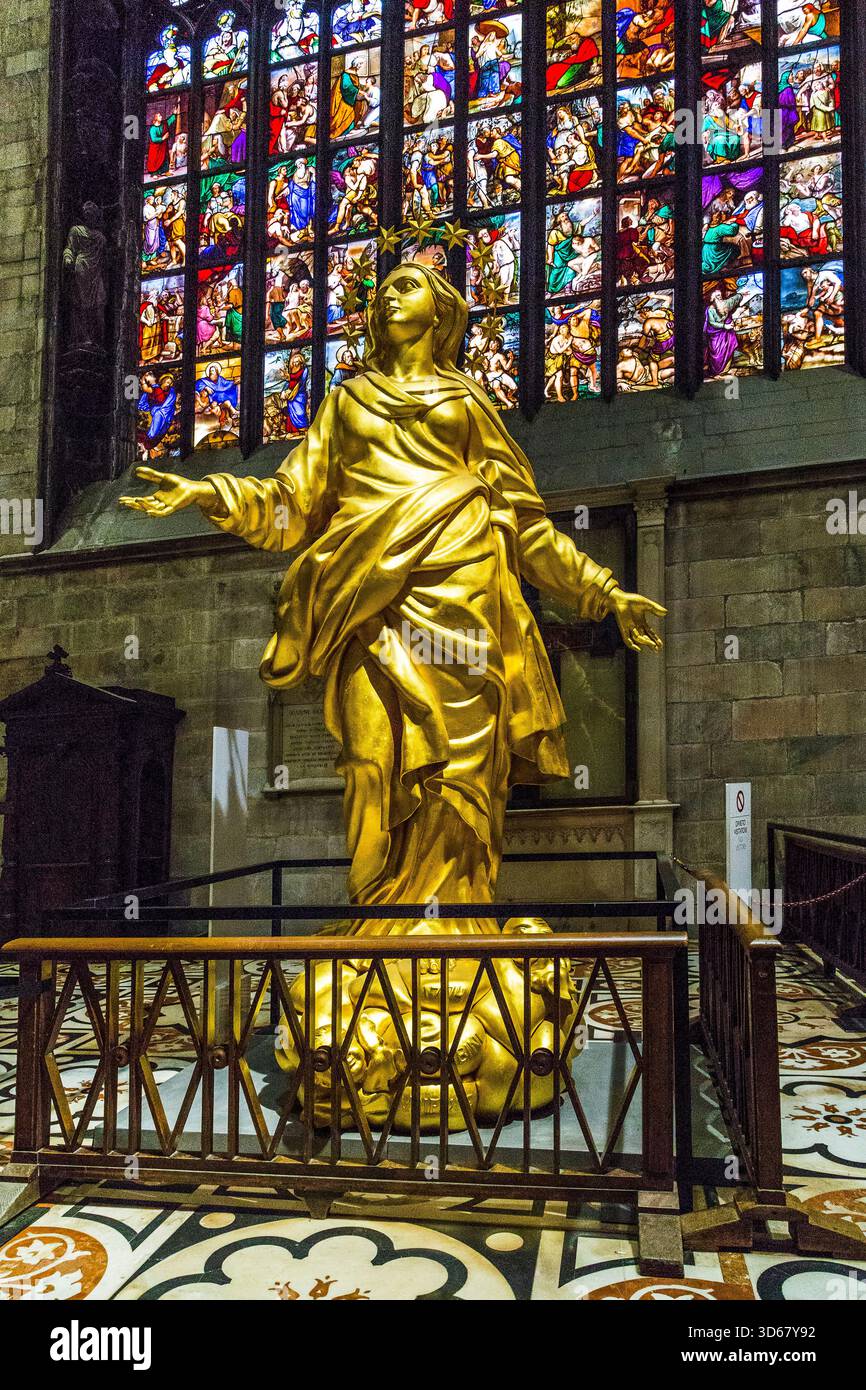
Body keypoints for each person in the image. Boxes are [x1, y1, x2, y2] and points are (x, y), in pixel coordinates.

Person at [120, 264, 665, 1127]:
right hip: (375, 614)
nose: (388, 295)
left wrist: (602, 589)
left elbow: (525, 526)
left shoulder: (469, 405)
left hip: (468, 616)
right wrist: (209, 494)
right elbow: (294, 508)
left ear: (442, 311)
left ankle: (457, 931)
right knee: (375, 767)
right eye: (383, 288)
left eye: (408, 284)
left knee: (464, 780)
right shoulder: (349, 403)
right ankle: (387, 929)